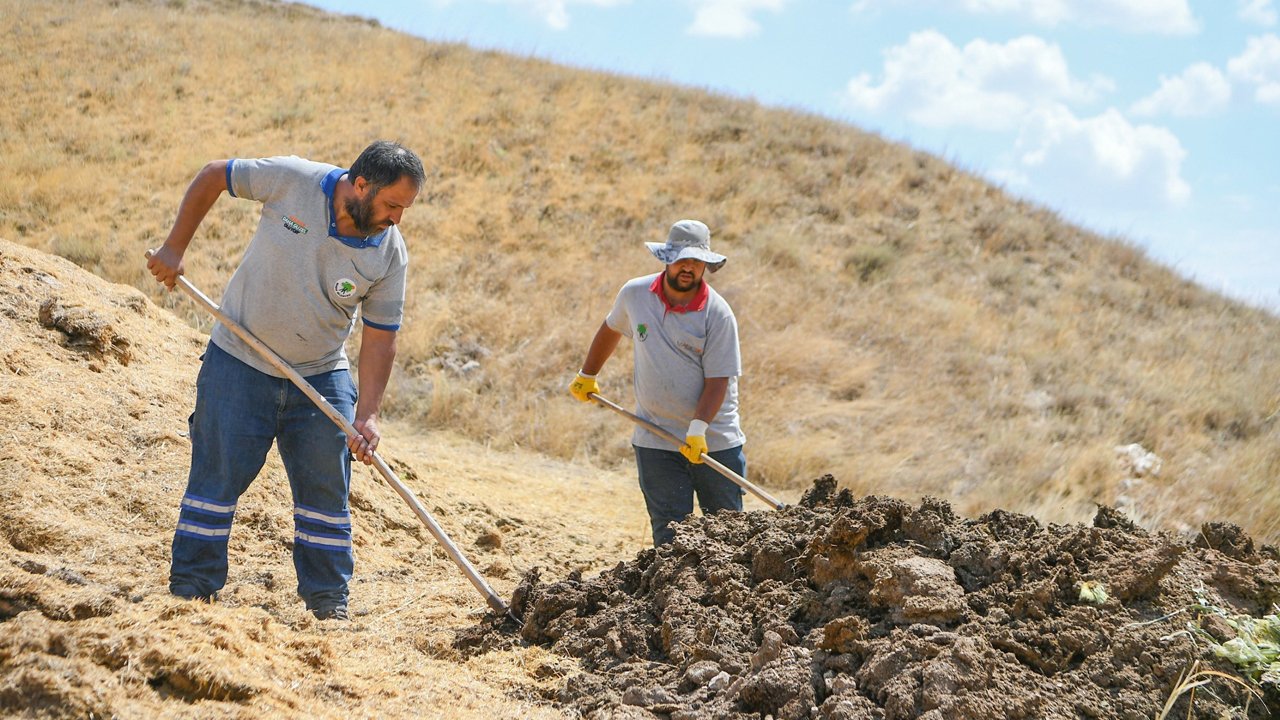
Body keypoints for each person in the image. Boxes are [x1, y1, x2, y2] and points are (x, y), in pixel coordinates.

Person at [146, 140, 425, 620]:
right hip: (240, 360)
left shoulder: (388, 255)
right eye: (391, 204)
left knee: (326, 495)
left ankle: (328, 604)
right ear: (361, 184)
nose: (398, 218)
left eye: (405, 208)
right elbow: (215, 172)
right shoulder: (293, 180)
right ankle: (191, 592)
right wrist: (174, 247)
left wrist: (368, 414)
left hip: (320, 374)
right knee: (215, 479)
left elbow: (380, 340)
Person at [569, 219, 746, 546]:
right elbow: (611, 328)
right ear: (667, 258)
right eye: (681, 259)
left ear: (705, 265)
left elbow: (719, 379)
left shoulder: (717, 314)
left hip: (714, 442)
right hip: (656, 438)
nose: (688, 268)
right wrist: (587, 375)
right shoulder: (635, 294)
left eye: (696, 262)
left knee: (728, 538)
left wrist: (698, 429)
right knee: (670, 536)